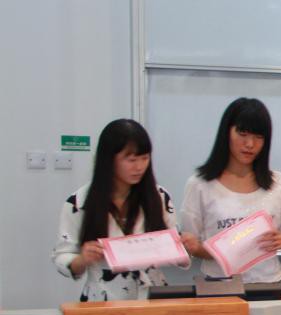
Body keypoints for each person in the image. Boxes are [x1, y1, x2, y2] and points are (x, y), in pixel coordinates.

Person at [52, 119, 185, 301]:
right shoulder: (79, 202)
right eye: (131, 160)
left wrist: (183, 245)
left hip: (152, 298)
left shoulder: (159, 196)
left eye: (145, 158)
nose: (139, 167)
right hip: (102, 299)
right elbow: (62, 256)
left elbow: (175, 247)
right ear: (109, 159)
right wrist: (81, 260)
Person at [180, 97, 281, 284]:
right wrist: (196, 248)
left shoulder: (280, 184)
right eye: (242, 133)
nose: (250, 144)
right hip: (219, 285)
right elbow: (193, 244)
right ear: (227, 132)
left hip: (269, 285)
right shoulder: (199, 185)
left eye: (259, 137)